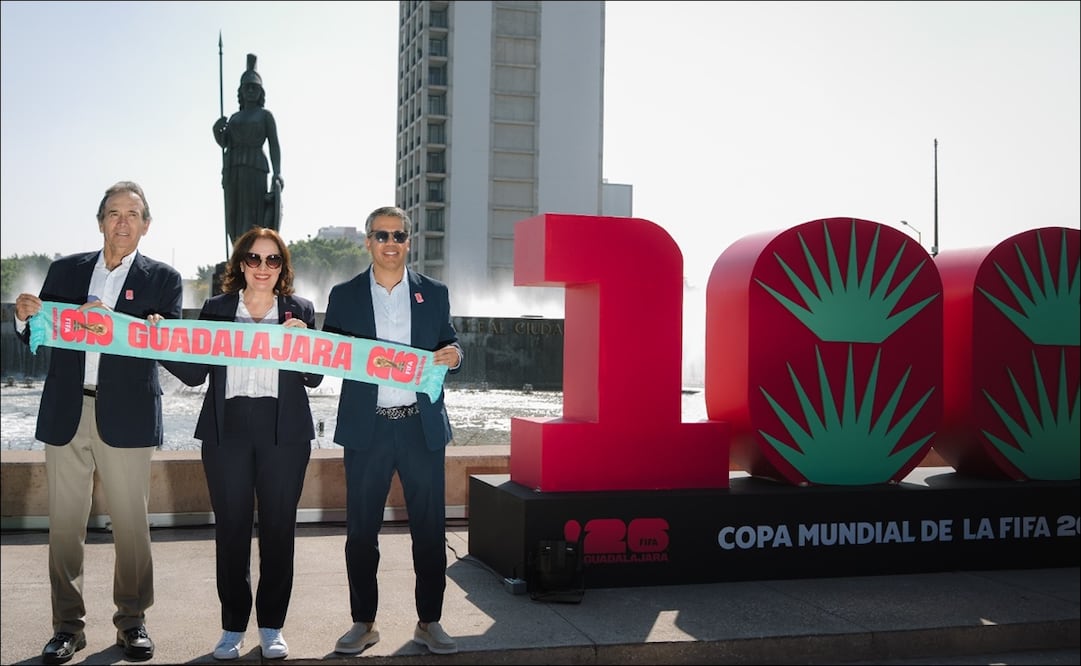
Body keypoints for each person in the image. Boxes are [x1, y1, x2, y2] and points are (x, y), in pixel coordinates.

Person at [12, 181, 184, 664]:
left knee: (132, 527)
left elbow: (166, 344)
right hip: (68, 411)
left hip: (126, 414)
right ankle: (67, 626)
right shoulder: (65, 271)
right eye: (113, 213)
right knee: (65, 527)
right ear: (101, 221)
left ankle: (132, 621)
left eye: (133, 214)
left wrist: (135, 328)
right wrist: (26, 319)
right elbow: (39, 338)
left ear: (146, 225)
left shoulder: (164, 280)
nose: (122, 222)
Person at [161, 227, 321, 661]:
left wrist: (306, 343)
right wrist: (157, 342)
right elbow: (195, 374)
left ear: (282, 267)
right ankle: (232, 626)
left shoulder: (299, 309)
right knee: (230, 532)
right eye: (254, 259)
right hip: (226, 429)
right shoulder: (216, 309)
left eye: (273, 260)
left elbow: (314, 377)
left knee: (278, 532)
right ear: (241, 264)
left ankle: (272, 626)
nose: (263, 268)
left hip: (283, 433)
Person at [324, 206, 463, 656]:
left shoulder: (434, 293)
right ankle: (363, 622)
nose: (390, 242)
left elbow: (450, 341)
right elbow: (327, 353)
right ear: (368, 241)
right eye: (381, 235)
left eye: (398, 235)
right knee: (361, 533)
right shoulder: (344, 295)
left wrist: (454, 356)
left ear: (408, 242)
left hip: (421, 429)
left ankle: (430, 621)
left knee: (429, 529)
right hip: (369, 432)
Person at [213, 53, 283, 249]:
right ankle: (237, 252)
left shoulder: (265, 115)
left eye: (255, 87)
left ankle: (251, 251)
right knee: (233, 214)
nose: (251, 91)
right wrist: (217, 130)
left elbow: (274, 145)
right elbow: (225, 142)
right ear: (241, 91)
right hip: (233, 167)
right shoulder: (234, 117)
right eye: (247, 87)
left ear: (261, 92)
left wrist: (277, 173)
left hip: (255, 167)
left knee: (251, 214)